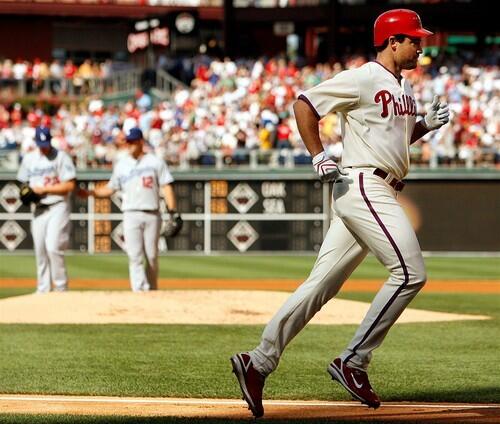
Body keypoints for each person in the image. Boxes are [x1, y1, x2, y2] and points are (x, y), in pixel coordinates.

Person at [230, 9, 450, 418]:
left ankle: (258, 362)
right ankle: (354, 361)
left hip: (375, 185)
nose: (421, 45)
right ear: (392, 41)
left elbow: (396, 139)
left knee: (321, 285)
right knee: (410, 273)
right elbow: (305, 104)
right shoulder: (365, 76)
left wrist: (424, 126)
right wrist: (318, 155)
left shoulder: (402, 88)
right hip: (365, 183)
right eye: (414, 39)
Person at [82, 127, 181, 292]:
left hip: (152, 213)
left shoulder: (155, 162)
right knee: (134, 255)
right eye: (128, 141)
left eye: (133, 141)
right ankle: (139, 289)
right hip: (130, 213)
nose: (129, 145)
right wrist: (91, 192)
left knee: (151, 256)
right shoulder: (122, 165)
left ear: (141, 142)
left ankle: (152, 289)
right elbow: (111, 188)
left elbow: (167, 187)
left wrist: (173, 211)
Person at [17, 126, 76, 293]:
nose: (44, 146)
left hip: (58, 205)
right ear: (36, 142)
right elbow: (23, 183)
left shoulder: (61, 157)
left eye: (46, 143)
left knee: (53, 247)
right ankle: (42, 289)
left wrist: (45, 190)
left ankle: (61, 288)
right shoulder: (29, 158)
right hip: (38, 208)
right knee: (41, 251)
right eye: (41, 143)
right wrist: (26, 192)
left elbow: (70, 184)